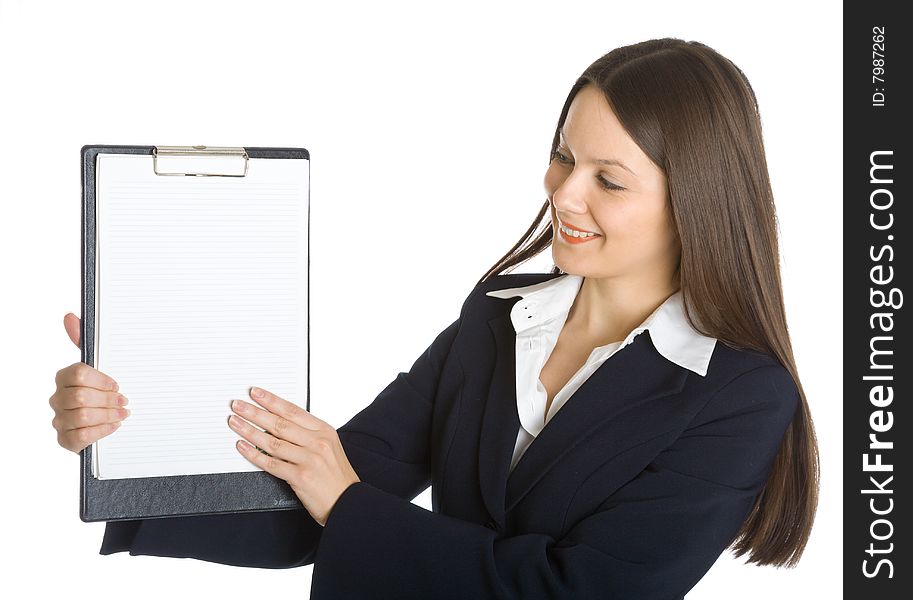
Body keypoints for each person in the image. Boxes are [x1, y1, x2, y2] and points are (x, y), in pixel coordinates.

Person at [49, 37, 819, 599]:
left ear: (696, 202)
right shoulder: (494, 321)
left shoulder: (740, 395)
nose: (562, 194)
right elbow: (315, 502)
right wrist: (134, 442)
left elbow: (584, 592)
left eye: (607, 181)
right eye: (562, 157)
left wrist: (349, 505)